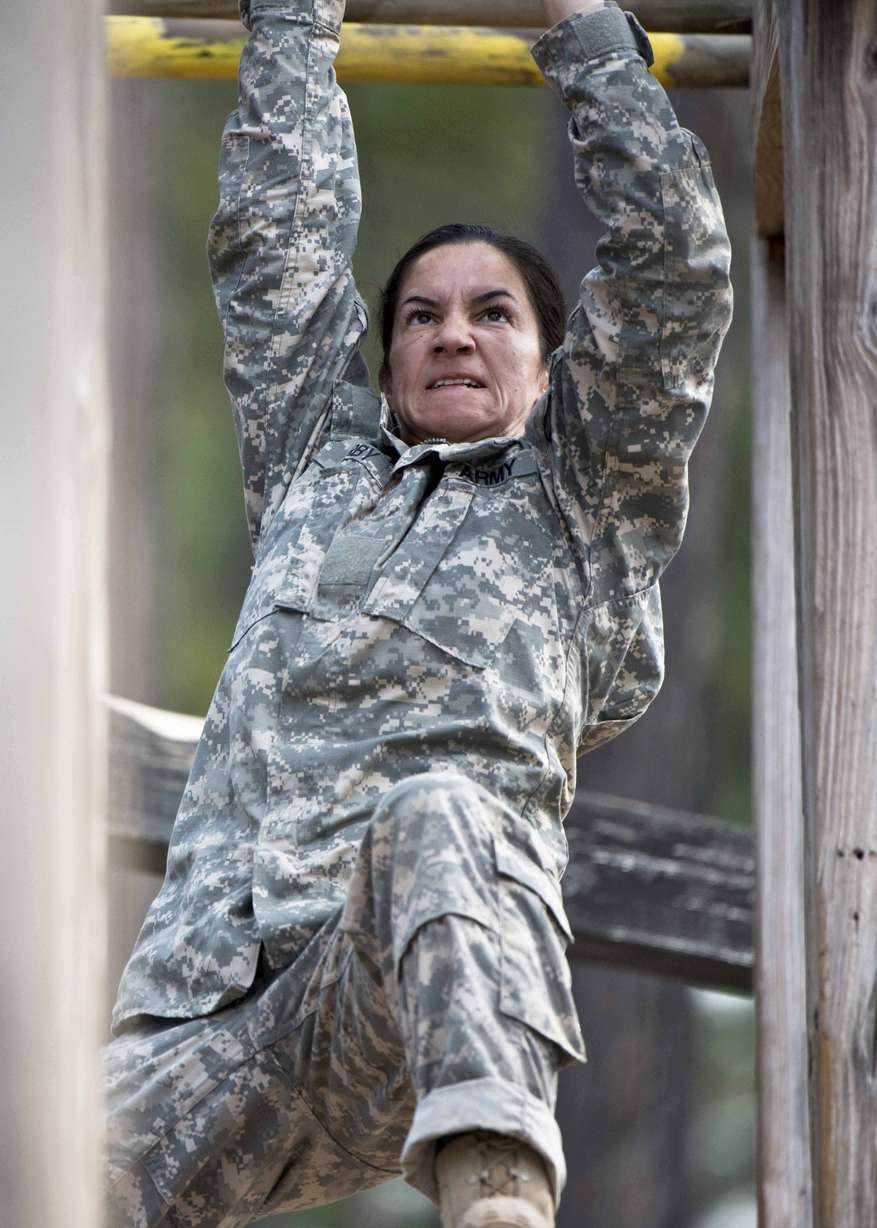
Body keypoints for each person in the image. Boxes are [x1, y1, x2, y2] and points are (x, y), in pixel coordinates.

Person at [103, 1, 732, 1225]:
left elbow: (675, 263)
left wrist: (578, 30)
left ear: (550, 368)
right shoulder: (313, 471)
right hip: (208, 1011)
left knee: (436, 808)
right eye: (420, 315)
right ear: (385, 362)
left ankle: (497, 1184)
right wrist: (291, 16)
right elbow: (274, 243)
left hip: (413, 989)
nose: (451, 331)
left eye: (492, 313)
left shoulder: (578, 495)